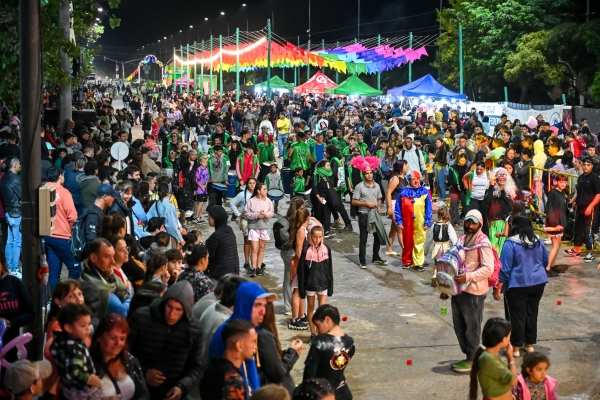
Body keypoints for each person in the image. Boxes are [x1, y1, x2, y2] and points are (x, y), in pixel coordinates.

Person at [128, 281, 204, 400]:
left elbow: (196, 367)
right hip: (138, 389)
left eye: (178, 310)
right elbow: (124, 354)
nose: (171, 314)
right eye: (169, 307)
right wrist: (142, 372)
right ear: (163, 303)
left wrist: (182, 387)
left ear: (186, 310)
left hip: (171, 392)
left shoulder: (195, 329)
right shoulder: (140, 317)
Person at [444, 210, 495, 373]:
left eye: (474, 223)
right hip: (458, 291)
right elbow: (453, 262)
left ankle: (472, 359)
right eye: (468, 222)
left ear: (480, 224)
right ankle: (470, 355)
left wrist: (469, 276)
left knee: (472, 327)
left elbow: (489, 268)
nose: (470, 226)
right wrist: (445, 286)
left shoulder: (483, 242)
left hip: (474, 292)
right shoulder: (462, 240)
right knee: (459, 325)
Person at [497, 212, 549, 356]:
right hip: (538, 282)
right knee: (532, 313)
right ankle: (530, 344)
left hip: (517, 284)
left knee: (516, 316)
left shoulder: (511, 243)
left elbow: (505, 269)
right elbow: (545, 261)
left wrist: (498, 286)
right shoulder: (538, 240)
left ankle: (516, 348)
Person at [90, 313, 150, 400]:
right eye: (113, 337)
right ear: (99, 337)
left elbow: (144, 394)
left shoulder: (131, 360)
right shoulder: (87, 362)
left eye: (122, 339)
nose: (118, 344)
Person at [49, 303, 102, 399]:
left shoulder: (60, 340)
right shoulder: (75, 348)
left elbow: (53, 351)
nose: (88, 329)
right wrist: (88, 379)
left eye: (89, 324)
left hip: (67, 387)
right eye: (83, 325)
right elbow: (72, 373)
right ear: (68, 328)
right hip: (80, 390)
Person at [44, 280, 86, 397]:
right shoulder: (57, 326)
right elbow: (49, 351)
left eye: (80, 294)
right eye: (71, 296)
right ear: (58, 301)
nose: (79, 300)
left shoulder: (76, 321)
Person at [303, 304, 355, 400]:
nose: (318, 331)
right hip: (342, 392)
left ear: (327, 320)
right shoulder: (350, 342)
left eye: (318, 326)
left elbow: (309, 373)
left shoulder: (320, 342)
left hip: (323, 393)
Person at [201, 319, 257, 400]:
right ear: (239, 346)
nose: (255, 347)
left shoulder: (212, 367)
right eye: (253, 342)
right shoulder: (232, 379)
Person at [43, 167, 81, 290]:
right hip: (62, 237)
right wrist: (72, 232)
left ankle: (55, 300)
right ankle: (69, 297)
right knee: (75, 268)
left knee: (54, 271)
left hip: (48, 236)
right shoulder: (64, 193)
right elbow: (73, 216)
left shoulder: (43, 191)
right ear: (60, 176)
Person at [351, 156, 389, 269]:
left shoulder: (377, 185)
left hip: (375, 214)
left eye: (371, 173)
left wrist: (379, 206)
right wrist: (366, 204)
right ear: (363, 174)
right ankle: (362, 261)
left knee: (378, 236)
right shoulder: (359, 186)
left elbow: (379, 198)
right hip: (364, 214)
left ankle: (376, 257)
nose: (369, 175)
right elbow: (354, 201)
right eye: (367, 173)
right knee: (364, 238)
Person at [257, 301, 302, 395]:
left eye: (262, 306)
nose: (261, 311)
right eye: (257, 305)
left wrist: (286, 352)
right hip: (274, 392)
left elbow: (268, 359)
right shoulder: (264, 335)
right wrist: (292, 353)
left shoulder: (255, 331)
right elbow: (278, 373)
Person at [0, 244, 34, 364]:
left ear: (2, 264)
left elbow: (30, 313)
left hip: (10, 353)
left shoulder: (14, 284)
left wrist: (11, 323)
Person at [80, 238, 131, 318]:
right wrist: (129, 297)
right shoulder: (101, 289)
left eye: (113, 256)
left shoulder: (108, 275)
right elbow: (122, 312)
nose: (113, 261)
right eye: (107, 257)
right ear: (94, 258)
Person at [468, 318, 517, 400]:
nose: (509, 339)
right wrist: (511, 358)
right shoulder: (489, 359)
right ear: (504, 339)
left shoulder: (491, 355)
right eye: (509, 336)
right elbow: (513, 382)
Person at [298, 225, 333, 338]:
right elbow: (302, 272)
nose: (317, 240)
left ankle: (320, 332)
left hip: (323, 285)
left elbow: (330, 269)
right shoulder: (306, 251)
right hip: (310, 285)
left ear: (323, 236)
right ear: (310, 237)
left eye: (320, 237)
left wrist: (330, 286)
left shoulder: (327, 249)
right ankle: (313, 333)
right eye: (315, 237)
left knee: (322, 311)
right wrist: (301, 289)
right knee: (310, 308)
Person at [395, 170, 432, 271]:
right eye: (413, 179)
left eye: (417, 179)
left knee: (419, 241)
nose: (416, 181)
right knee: (407, 241)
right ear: (409, 181)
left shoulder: (424, 191)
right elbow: (398, 208)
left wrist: (427, 221)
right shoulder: (403, 192)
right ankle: (407, 260)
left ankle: (418, 262)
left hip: (420, 221)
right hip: (407, 222)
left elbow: (429, 208)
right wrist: (399, 221)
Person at [564, 156, 600, 262]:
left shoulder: (595, 179)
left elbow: (598, 195)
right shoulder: (581, 178)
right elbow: (578, 192)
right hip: (580, 207)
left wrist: (590, 207)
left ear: (592, 166)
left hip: (591, 209)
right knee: (577, 229)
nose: (585, 167)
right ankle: (576, 250)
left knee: (587, 231)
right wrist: (572, 201)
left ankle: (589, 252)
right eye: (584, 165)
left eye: (588, 165)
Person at [244, 182, 274, 277]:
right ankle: (253, 268)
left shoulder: (268, 201)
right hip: (253, 227)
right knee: (254, 249)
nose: (266, 191)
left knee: (261, 248)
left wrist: (264, 214)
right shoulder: (251, 201)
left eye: (266, 189)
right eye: (264, 189)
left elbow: (271, 213)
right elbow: (246, 213)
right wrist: (257, 215)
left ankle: (259, 267)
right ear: (258, 191)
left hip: (264, 227)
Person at [0, 158, 22, 276]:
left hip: (8, 212)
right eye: (18, 164)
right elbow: (22, 195)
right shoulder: (15, 179)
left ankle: (8, 267)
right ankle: (14, 268)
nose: (20, 166)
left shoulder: (4, 178)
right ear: (14, 165)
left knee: (9, 240)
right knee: (17, 241)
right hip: (16, 212)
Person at [205, 205, 240, 280]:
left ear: (216, 218)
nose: (208, 219)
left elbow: (208, 257)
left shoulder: (216, 236)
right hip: (234, 270)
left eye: (210, 217)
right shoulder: (229, 230)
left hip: (221, 274)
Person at [147, 182, 184, 248]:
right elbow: (172, 226)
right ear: (168, 193)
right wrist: (180, 239)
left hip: (153, 233)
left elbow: (148, 218)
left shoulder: (155, 204)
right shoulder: (169, 206)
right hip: (165, 236)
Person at [544, 174, 568, 277]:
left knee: (557, 246)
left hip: (560, 223)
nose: (563, 184)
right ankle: (547, 267)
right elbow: (549, 210)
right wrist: (555, 224)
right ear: (556, 182)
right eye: (560, 182)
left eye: (564, 182)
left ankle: (552, 266)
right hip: (554, 224)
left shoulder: (562, 193)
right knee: (555, 246)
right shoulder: (553, 193)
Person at [385, 160, 408, 255]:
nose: (407, 167)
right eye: (405, 165)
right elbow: (388, 193)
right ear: (400, 167)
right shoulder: (395, 178)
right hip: (395, 205)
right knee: (400, 228)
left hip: (403, 205)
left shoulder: (405, 177)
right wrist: (389, 207)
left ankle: (389, 249)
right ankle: (406, 251)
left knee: (394, 228)